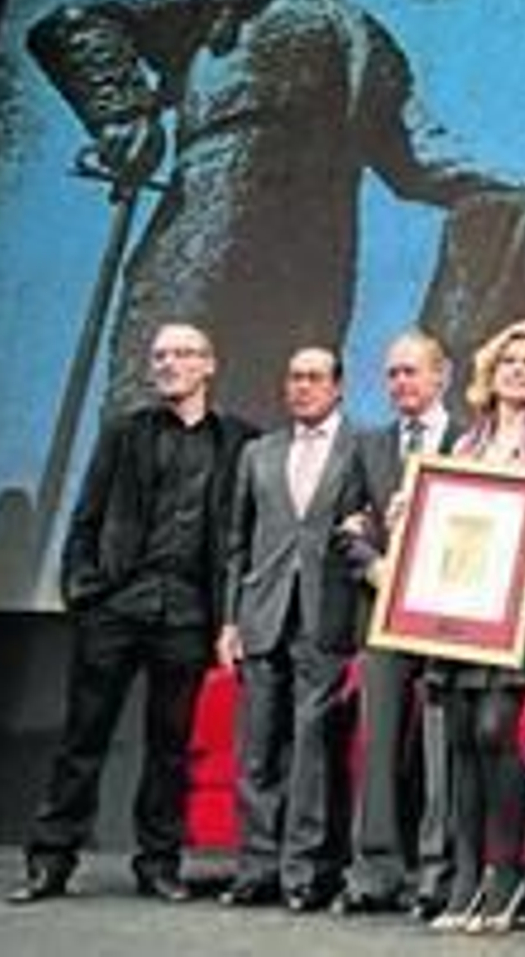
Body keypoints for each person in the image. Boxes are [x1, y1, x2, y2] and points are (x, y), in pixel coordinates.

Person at [24, 0, 497, 425]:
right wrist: (124, 112)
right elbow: (79, 21)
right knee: (172, 380)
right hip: (217, 206)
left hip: (319, 238)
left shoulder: (372, 42)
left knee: (284, 404)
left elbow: (417, 153)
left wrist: (522, 186)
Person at [8, 323, 256, 906]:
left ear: (208, 365)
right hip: (117, 608)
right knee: (82, 740)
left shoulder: (239, 440)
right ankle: (50, 861)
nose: (167, 363)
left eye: (181, 354)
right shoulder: (125, 432)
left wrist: (229, 615)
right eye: (160, 355)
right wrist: (84, 592)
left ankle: (159, 863)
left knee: (170, 748)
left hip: (187, 614)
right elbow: (86, 518)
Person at [426, 319, 525, 935]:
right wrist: (413, 516)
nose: (517, 370)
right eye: (508, 361)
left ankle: (507, 872)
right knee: (461, 737)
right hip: (459, 607)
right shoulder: (464, 445)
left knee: (495, 730)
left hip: (522, 609)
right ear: (491, 372)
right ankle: (465, 878)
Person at [218, 346, 361, 912]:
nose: (302, 387)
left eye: (314, 378)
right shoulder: (259, 453)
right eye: (295, 377)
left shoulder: (360, 448)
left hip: (326, 615)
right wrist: (230, 619)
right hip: (262, 614)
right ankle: (256, 867)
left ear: (337, 386)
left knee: (311, 748)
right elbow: (236, 543)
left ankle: (303, 871)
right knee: (257, 748)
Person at [333, 330, 462, 917]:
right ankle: (375, 874)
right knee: (379, 745)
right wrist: (374, 564)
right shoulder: (370, 445)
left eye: (411, 371)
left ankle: (438, 874)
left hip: (449, 619)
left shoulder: (469, 441)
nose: (400, 383)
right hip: (383, 615)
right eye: (392, 373)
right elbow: (346, 527)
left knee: (441, 749)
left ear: (442, 375)